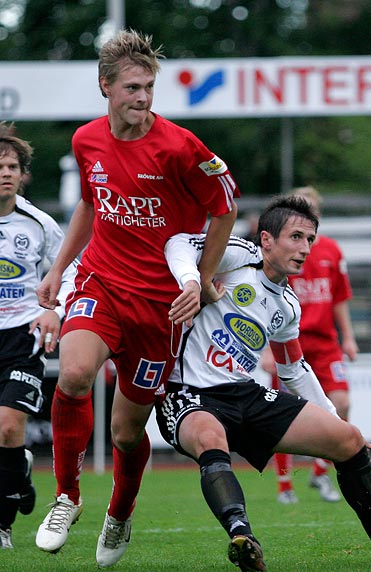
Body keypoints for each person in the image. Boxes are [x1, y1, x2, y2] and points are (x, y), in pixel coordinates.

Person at [34, 29, 239, 567]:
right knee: (74, 374)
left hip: (160, 307)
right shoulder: (86, 140)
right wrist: (59, 269)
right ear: (105, 87)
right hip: (100, 282)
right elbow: (89, 204)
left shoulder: (180, 146)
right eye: (131, 87)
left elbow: (225, 208)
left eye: (148, 87)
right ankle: (67, 498)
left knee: (126, 433)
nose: (142, 98)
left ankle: (120, 512)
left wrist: (201, 278)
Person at [157, 195, 371, 570]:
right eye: (296, 237)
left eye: (310, 240)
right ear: (266, 239)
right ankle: (242, 536)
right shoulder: (238, 255)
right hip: (188, 393)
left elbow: (293, 368)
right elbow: (179, 243)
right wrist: (192, 282)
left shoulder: (287, 304)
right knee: (209, 439)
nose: (305, 249)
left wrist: (336, 419)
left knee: (349, 441)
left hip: (243, 393)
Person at [0, 123, 76, 549]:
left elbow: (69, 274)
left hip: (22, 335)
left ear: (23, 173)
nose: (6, 173)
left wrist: (55, 312)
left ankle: (2, 526)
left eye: (13, 166)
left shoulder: (40, 224)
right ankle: (19, 475)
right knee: (3, 440)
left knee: (9, 428)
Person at [268, 186, 358, 505]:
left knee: (342, 404)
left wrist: (347, 336)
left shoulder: (332, 251)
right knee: (283, 411)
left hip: (325, 343)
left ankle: (319, 473)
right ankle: (283, 484)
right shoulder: (281, 251)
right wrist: (266, 346)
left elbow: (339, 298)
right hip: (289, 341)